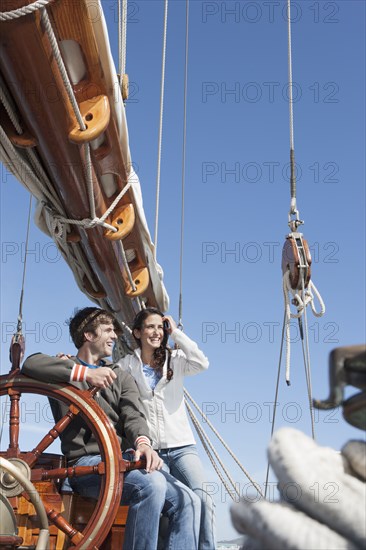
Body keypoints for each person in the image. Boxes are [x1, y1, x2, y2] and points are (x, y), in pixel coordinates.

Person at [22, 307, 200, 550]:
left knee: (189, 500)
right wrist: (84, 373)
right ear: (89, 335)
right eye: (108, 330)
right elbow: (31, 363)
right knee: (153, 486)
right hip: (86, 466)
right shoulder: (64, 369)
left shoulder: (121, 376)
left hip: (122, 462)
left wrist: (143, 443)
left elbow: (133, 415)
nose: (115, 336)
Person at [116, 307, 216, 550]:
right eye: (150, 327)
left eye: (160, 327)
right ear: (137, 332)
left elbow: (202, 362)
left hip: (181, 446)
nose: (156, 332)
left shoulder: (176, 359)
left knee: (202, 498)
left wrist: (177, 333)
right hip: (151, 451)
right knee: (164, 506)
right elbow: (108, 380)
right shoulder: (127, 364)